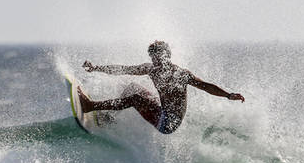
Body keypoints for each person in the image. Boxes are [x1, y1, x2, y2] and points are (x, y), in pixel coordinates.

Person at [79, 41, 244, 134]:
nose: (156, 61)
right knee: (132, 87)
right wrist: (96, 68)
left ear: (168, 56)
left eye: (159, 57)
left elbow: (206, 86)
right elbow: (124, 69)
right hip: (161, 110)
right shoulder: (151, 69)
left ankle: (90, 106)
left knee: (136, 99)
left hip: (169, 123)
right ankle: (106, 117)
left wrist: (228, 95)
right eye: (153, 57)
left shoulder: (181, 74)